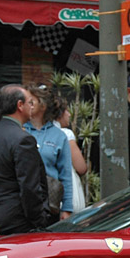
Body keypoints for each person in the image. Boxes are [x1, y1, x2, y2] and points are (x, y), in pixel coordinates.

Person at [0, 84, 50, 235]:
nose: (32, 107)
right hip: (21, 219)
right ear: (20, 105)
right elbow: (30, 187)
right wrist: (39, 220)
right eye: (30, 102)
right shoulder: (23, 139)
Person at [24, 84, 73, 221]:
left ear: (43, 106)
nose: (27, 104)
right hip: (23, 202)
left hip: (50, 203)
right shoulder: (19, 130)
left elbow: (66, 174)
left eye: (31, 101)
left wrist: (67, 208)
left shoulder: (59, 136)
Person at [54, 96, 88, 212]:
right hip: (67, 195)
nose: (69, 114)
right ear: (59, 114)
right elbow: (81, 167)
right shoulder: (66, 134)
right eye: (66, 111)